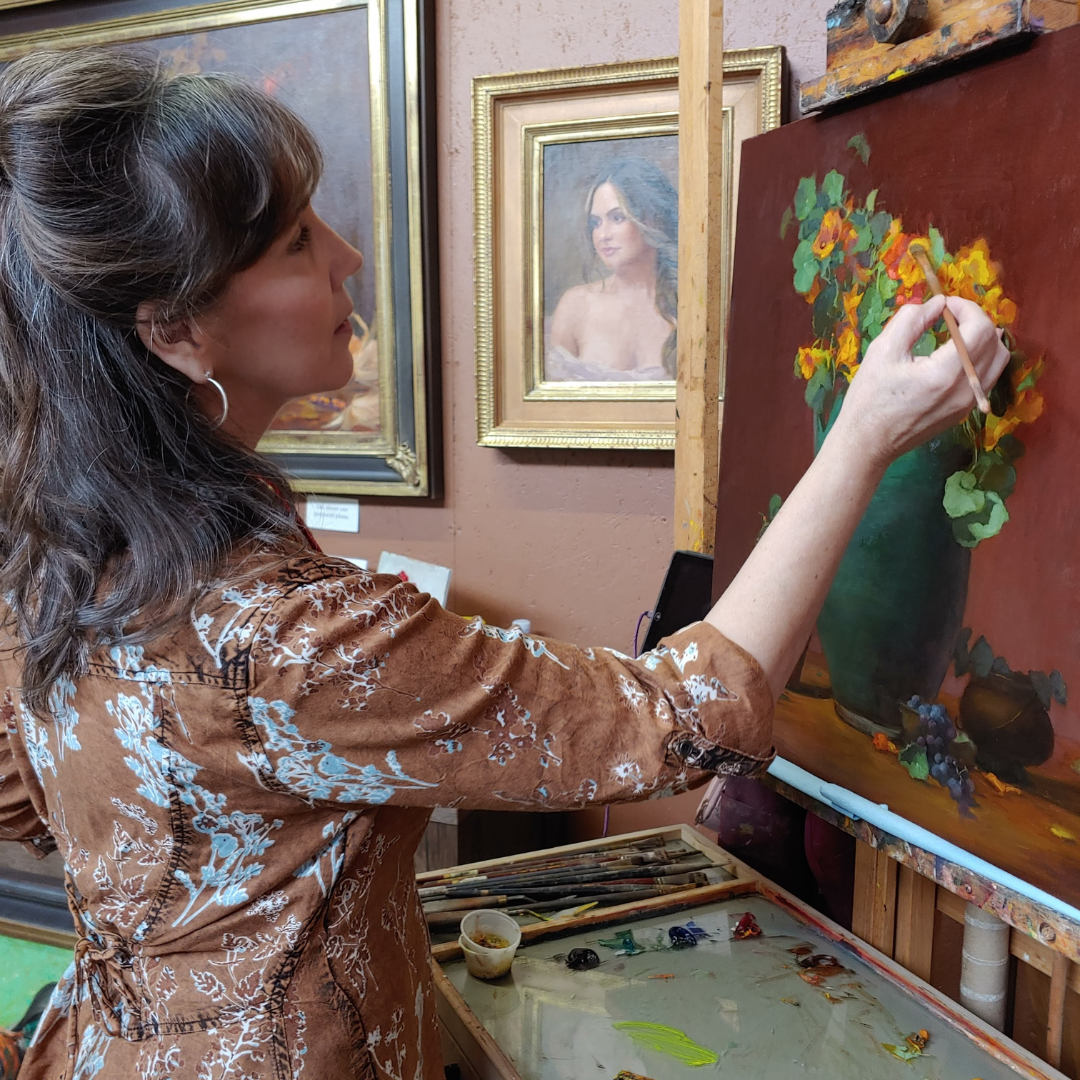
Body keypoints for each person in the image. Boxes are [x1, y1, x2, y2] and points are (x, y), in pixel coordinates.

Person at [0, 48, 1008, 1080]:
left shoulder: (55, 560)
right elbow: (682, 716)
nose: (349, 254)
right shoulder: (291, 636)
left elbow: (22, 799)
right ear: (176, 329)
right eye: (298, 241)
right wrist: (862, 438)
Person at [547, 156, 678, 381]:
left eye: (617, 218)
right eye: (596, 223)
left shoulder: (687, 305)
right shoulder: (575, 306)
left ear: (653, 220)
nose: (603, 235)